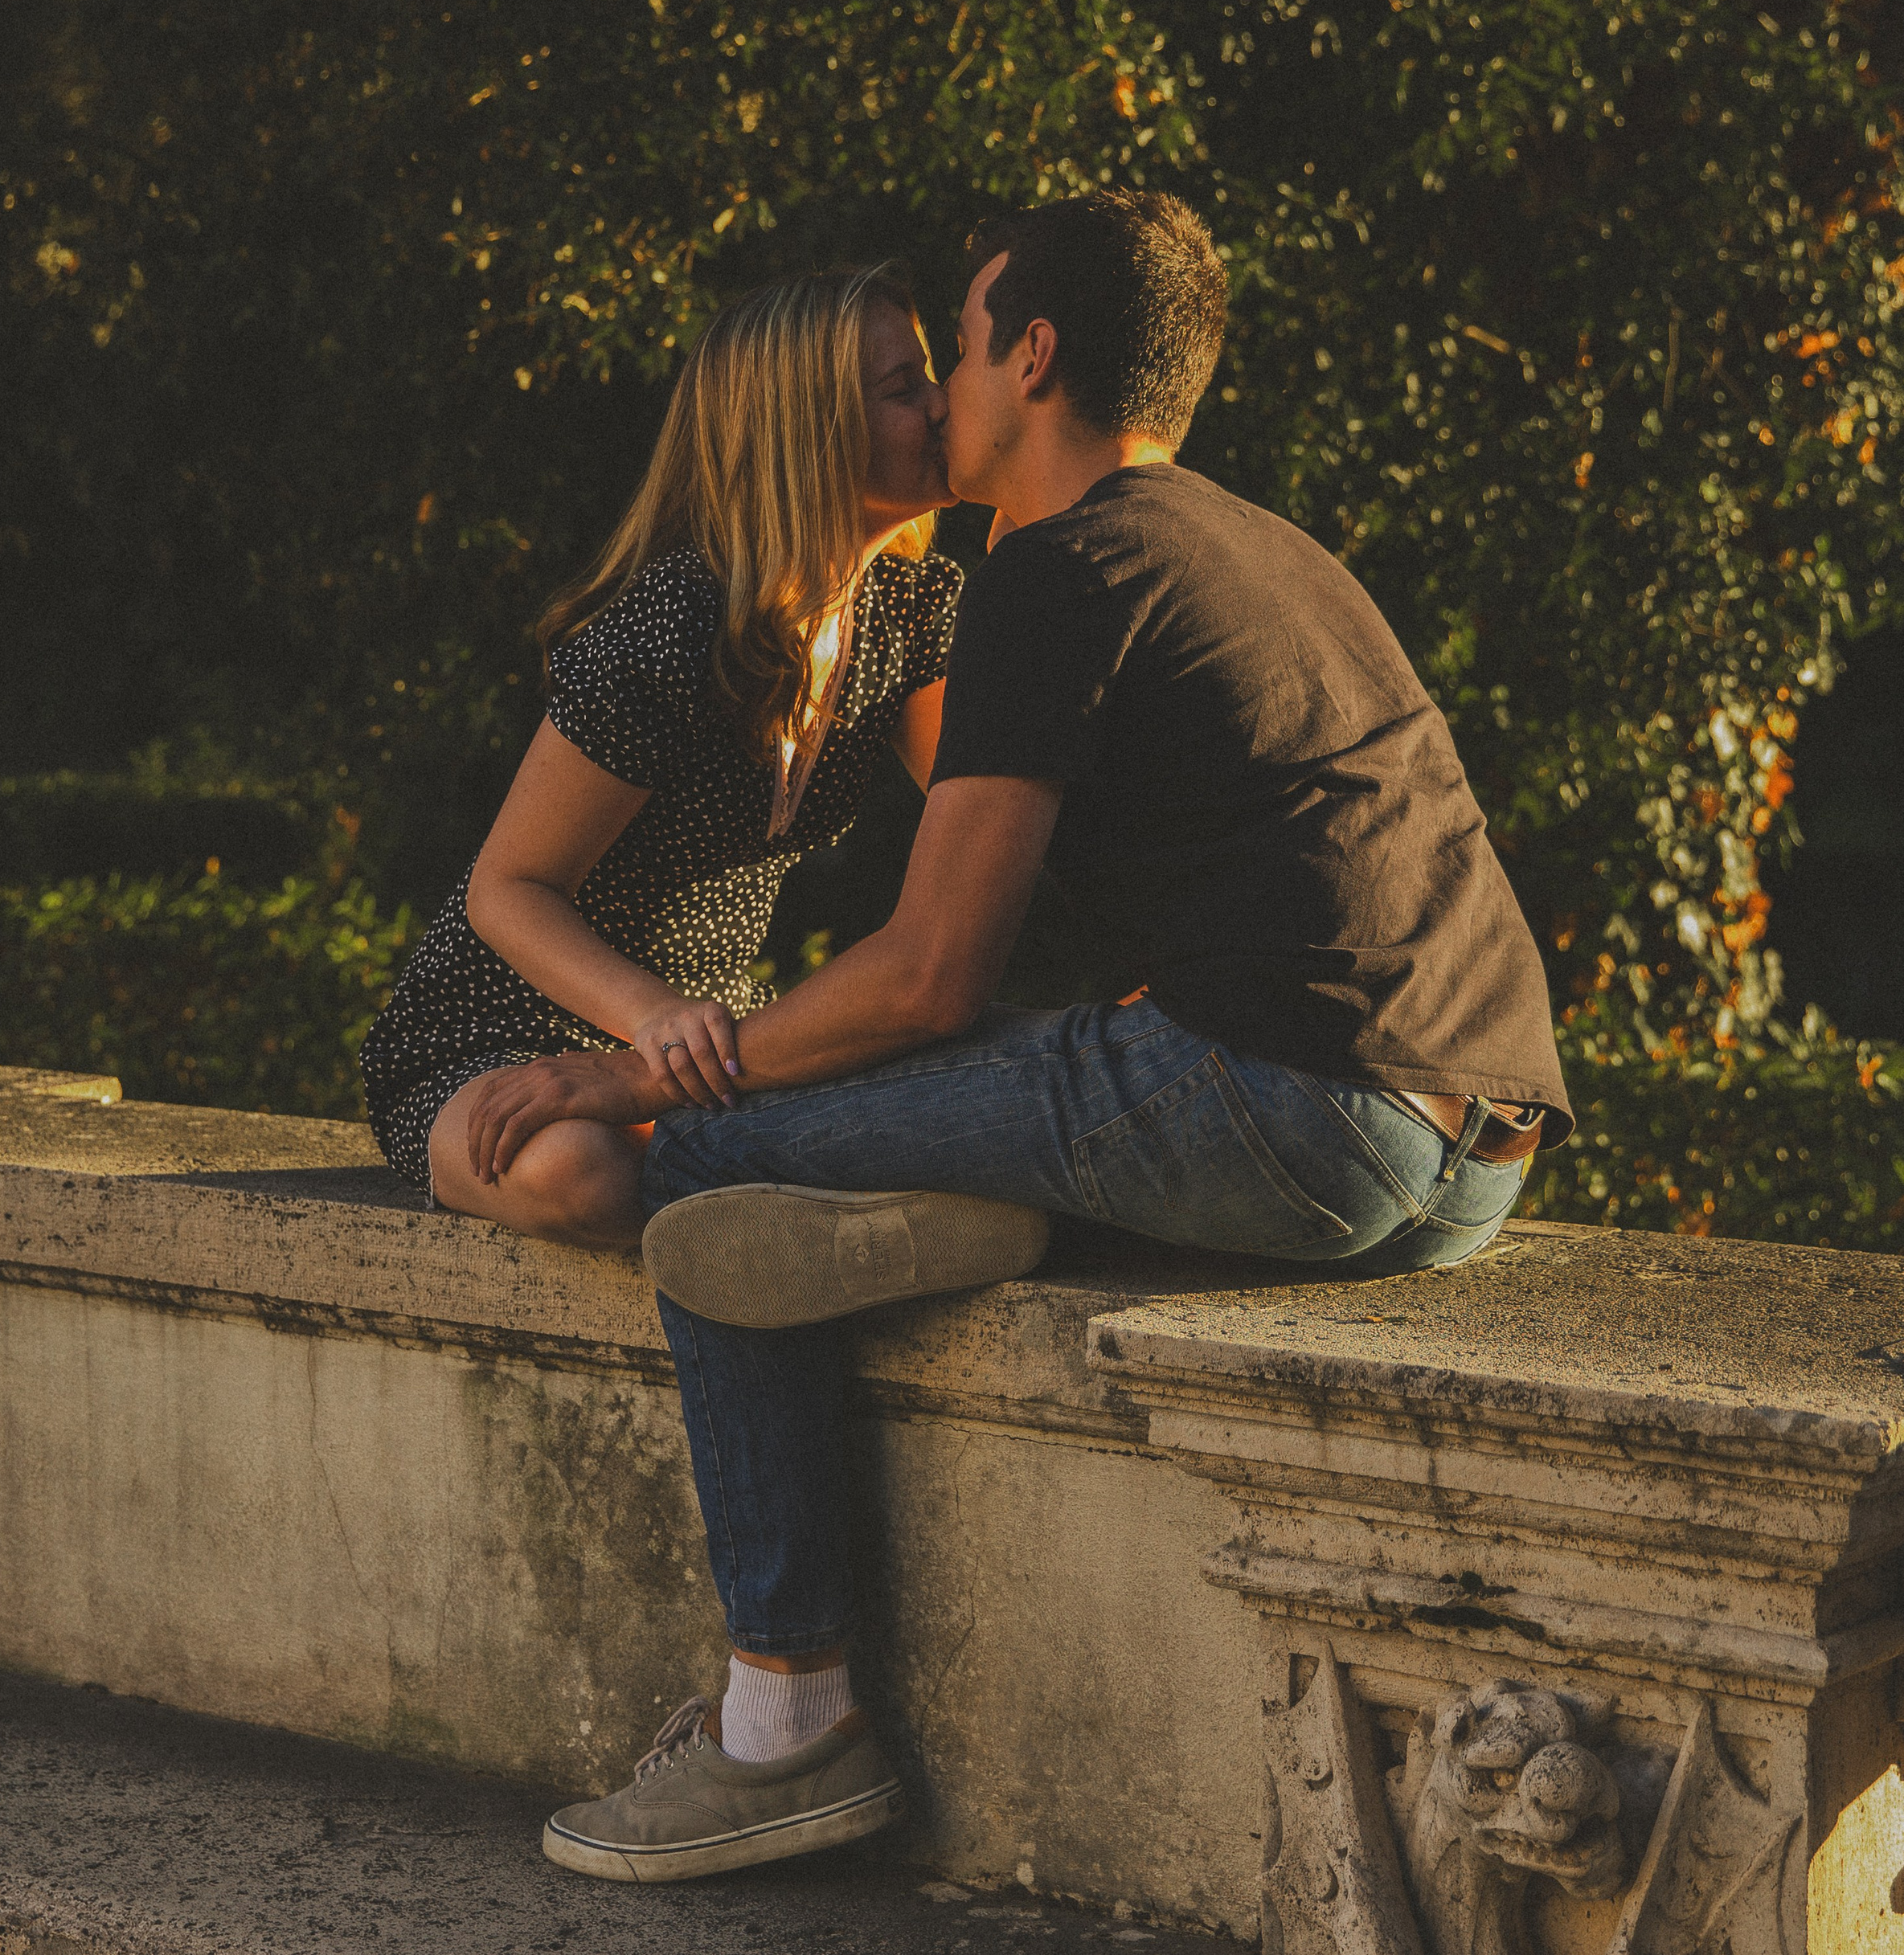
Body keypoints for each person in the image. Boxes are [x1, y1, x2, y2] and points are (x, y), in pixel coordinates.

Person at [486, 191, 1574, 1883]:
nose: (941, 393)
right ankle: (1011, 1203)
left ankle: (786, 1721)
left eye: (959, 348)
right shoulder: (1254, 541)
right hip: (1466, 1154)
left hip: (1293, 1118)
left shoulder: (1050, 568)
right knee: (939, 1078)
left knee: (698, 1155)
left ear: (1032, 354)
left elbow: (927, 972)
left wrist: (622, 1070)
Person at [358, 266, 962, 1243]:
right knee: (581, 1175)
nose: (943, 405)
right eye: (905, 389)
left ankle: (771, 1183)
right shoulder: (677, 626)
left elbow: (995, 828)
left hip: (711, 1051)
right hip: (505, 1036)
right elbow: (507, 887)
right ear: (810, 433)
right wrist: (651, 1017)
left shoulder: (912, 612)